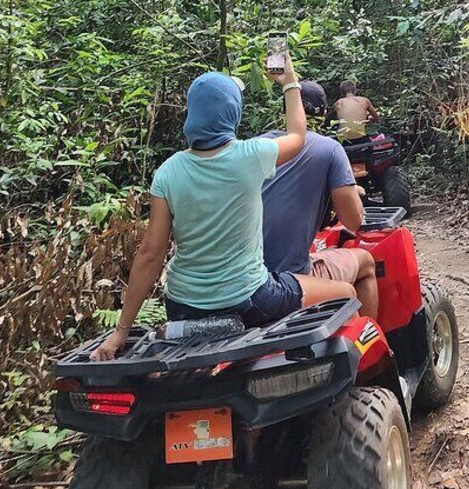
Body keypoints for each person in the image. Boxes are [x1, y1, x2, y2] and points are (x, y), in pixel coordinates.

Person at [90, 56, 355, 361]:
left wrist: (121, 331)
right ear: (232, 112)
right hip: (250, 298)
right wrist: (290, 81)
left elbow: (151, 254)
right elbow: (297, 135)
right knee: (345, 294)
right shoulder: (250, 156)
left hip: (182, 304)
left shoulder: (168, 171)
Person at [262, 80, 378, 319]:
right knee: (366, 262)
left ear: (283, 112)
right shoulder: (330, 149)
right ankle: (370, 351)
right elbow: (353, 222)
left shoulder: (253, 148)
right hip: (291, 279)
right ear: (324, 113)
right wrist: (349, 193)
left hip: (248, 278)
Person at [332, 80, 380, 146]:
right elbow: (377, 118)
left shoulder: (338, 103)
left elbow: (331, 120)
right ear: (355, 90)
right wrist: (371, 119)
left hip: (344, 141)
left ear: (342, 93)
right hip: (361, 140)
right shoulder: (364, 101)